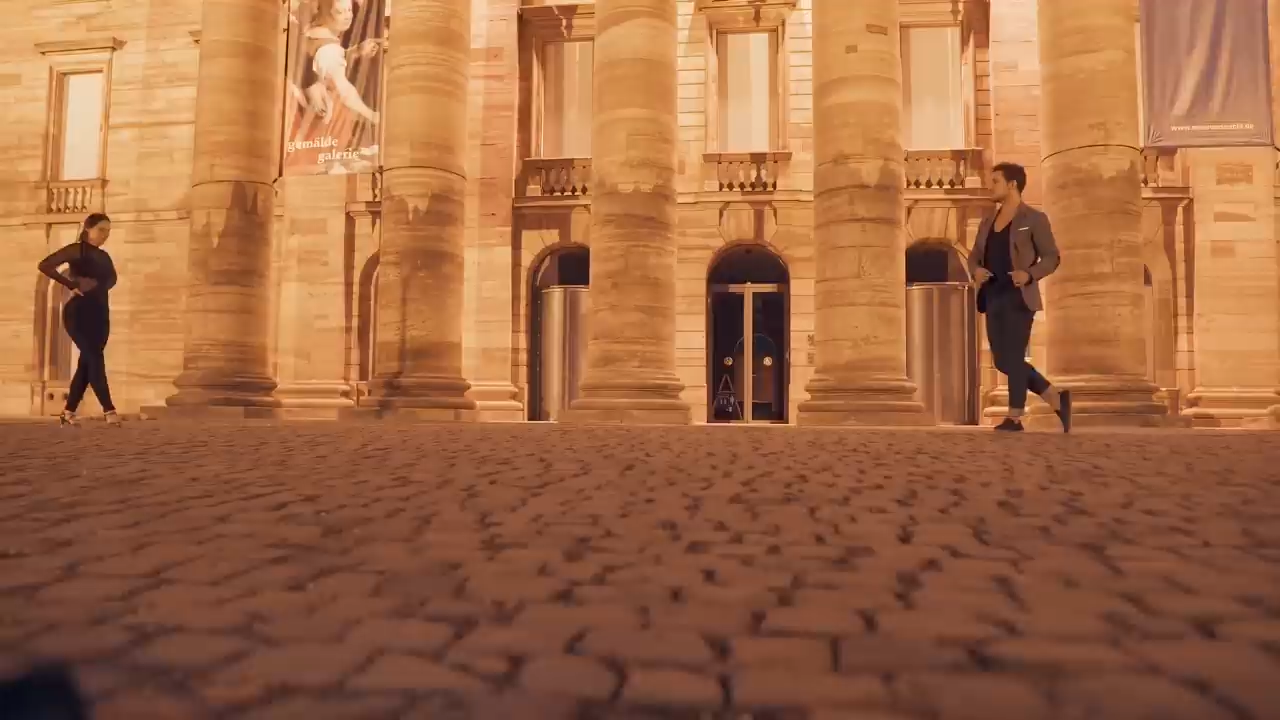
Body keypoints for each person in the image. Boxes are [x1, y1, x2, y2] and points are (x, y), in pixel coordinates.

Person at [968, 163, 1072, 433]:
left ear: (1012, 184)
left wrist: (1029, 274)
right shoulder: (987, 222)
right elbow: (974, 256)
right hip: (992, 296)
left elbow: (1051, 257)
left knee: (1014, 356)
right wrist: (975, 270)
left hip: (1019, 298)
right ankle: (1055, 396)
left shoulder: (1034, 219)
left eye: (995, 181)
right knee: (1002, 361)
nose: (990, 186)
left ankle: (1015, 417)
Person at [37, 213, 119, 427]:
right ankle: (109, 410)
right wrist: (70, 284)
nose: (105, 235)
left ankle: (68, 412)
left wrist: (95, 286)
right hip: (78, 313)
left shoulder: (105, 257)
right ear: (88, 229)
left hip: (100, 314)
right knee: (94, 358)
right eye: (101, 230)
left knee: (87, 362)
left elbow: (112, 279)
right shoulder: (76, 250)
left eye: (108, 231)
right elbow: (45, 265)